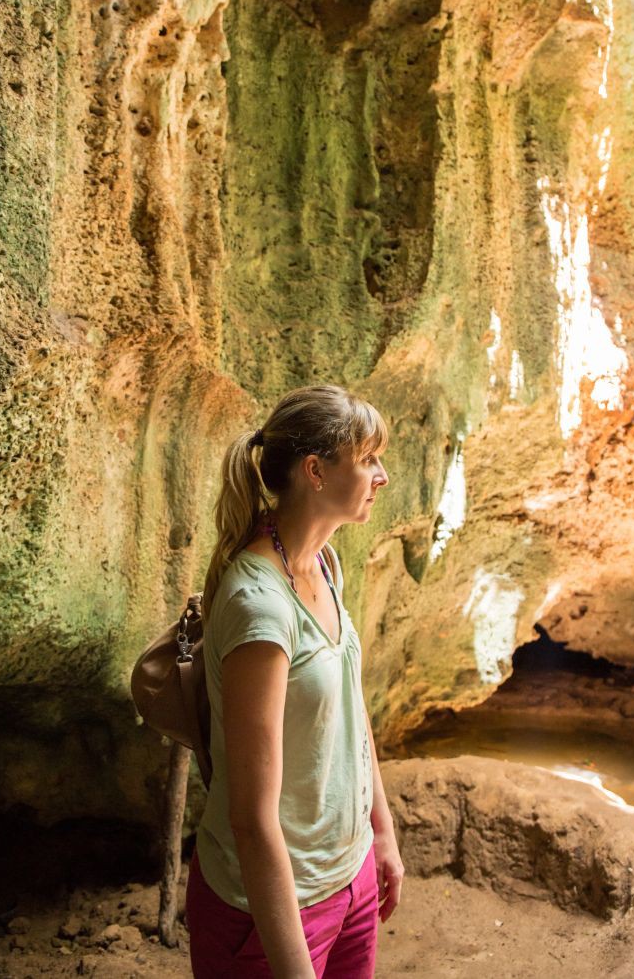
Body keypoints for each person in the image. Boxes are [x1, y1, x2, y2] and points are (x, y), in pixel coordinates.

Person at [186, 384, 404, 977]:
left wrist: (380, 834)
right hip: (272, 909)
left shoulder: (323, 564)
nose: (382, 475)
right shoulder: (261, 605)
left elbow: (350, 709)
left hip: (349, 880)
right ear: (315, 471)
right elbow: (253, 820)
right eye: (368, 459)